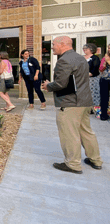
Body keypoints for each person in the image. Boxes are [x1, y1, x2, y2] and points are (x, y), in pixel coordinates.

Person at [42, 36, 103, 173]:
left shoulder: (64, 60)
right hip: (85, 101)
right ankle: (96, 160)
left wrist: (48, 86)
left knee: (69, 134)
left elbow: (61, 84)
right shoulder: (81, 58)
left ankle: (73, 164)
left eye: (53, 44)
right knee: (86, 132)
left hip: (71, 103)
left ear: (62, 44)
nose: (52, 47)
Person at [83, 43, 101, 114]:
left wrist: (89, 74)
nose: (84, 50)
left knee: (93, 94)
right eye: (83, 49)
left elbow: (95, 68)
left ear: (91, 49)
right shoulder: (81, 57)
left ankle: (94, 109)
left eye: (86, 49)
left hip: (93, 79)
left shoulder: (95, 58)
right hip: (82, 79)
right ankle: (86, 108)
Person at [98, 50, 110, 122]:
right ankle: (104, 115)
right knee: (104, 98)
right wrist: (104, 64)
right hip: (104, 80)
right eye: (109, 48)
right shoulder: (104, 58)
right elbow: (101, 69)